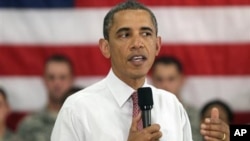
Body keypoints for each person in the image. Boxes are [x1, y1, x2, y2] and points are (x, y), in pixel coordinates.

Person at [51, 1, 230, 141]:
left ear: (157, 45)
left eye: (146, 34)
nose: (137, 43)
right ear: (106, 47)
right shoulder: (77, 109)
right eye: (125, 34)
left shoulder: (172, 105)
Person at [17, 54, 74, 141]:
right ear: (44, 80)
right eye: (51, 77)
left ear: (71, 80)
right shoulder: (29, 126)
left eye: (62, 78)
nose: (57, 83)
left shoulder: (81, 121)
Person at [151, 56, 201, 141]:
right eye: (159, 79)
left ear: (182, 80)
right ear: (152, 80)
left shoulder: (195, 114)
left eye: (171, 79)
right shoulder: (143, 114)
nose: (165, 85)